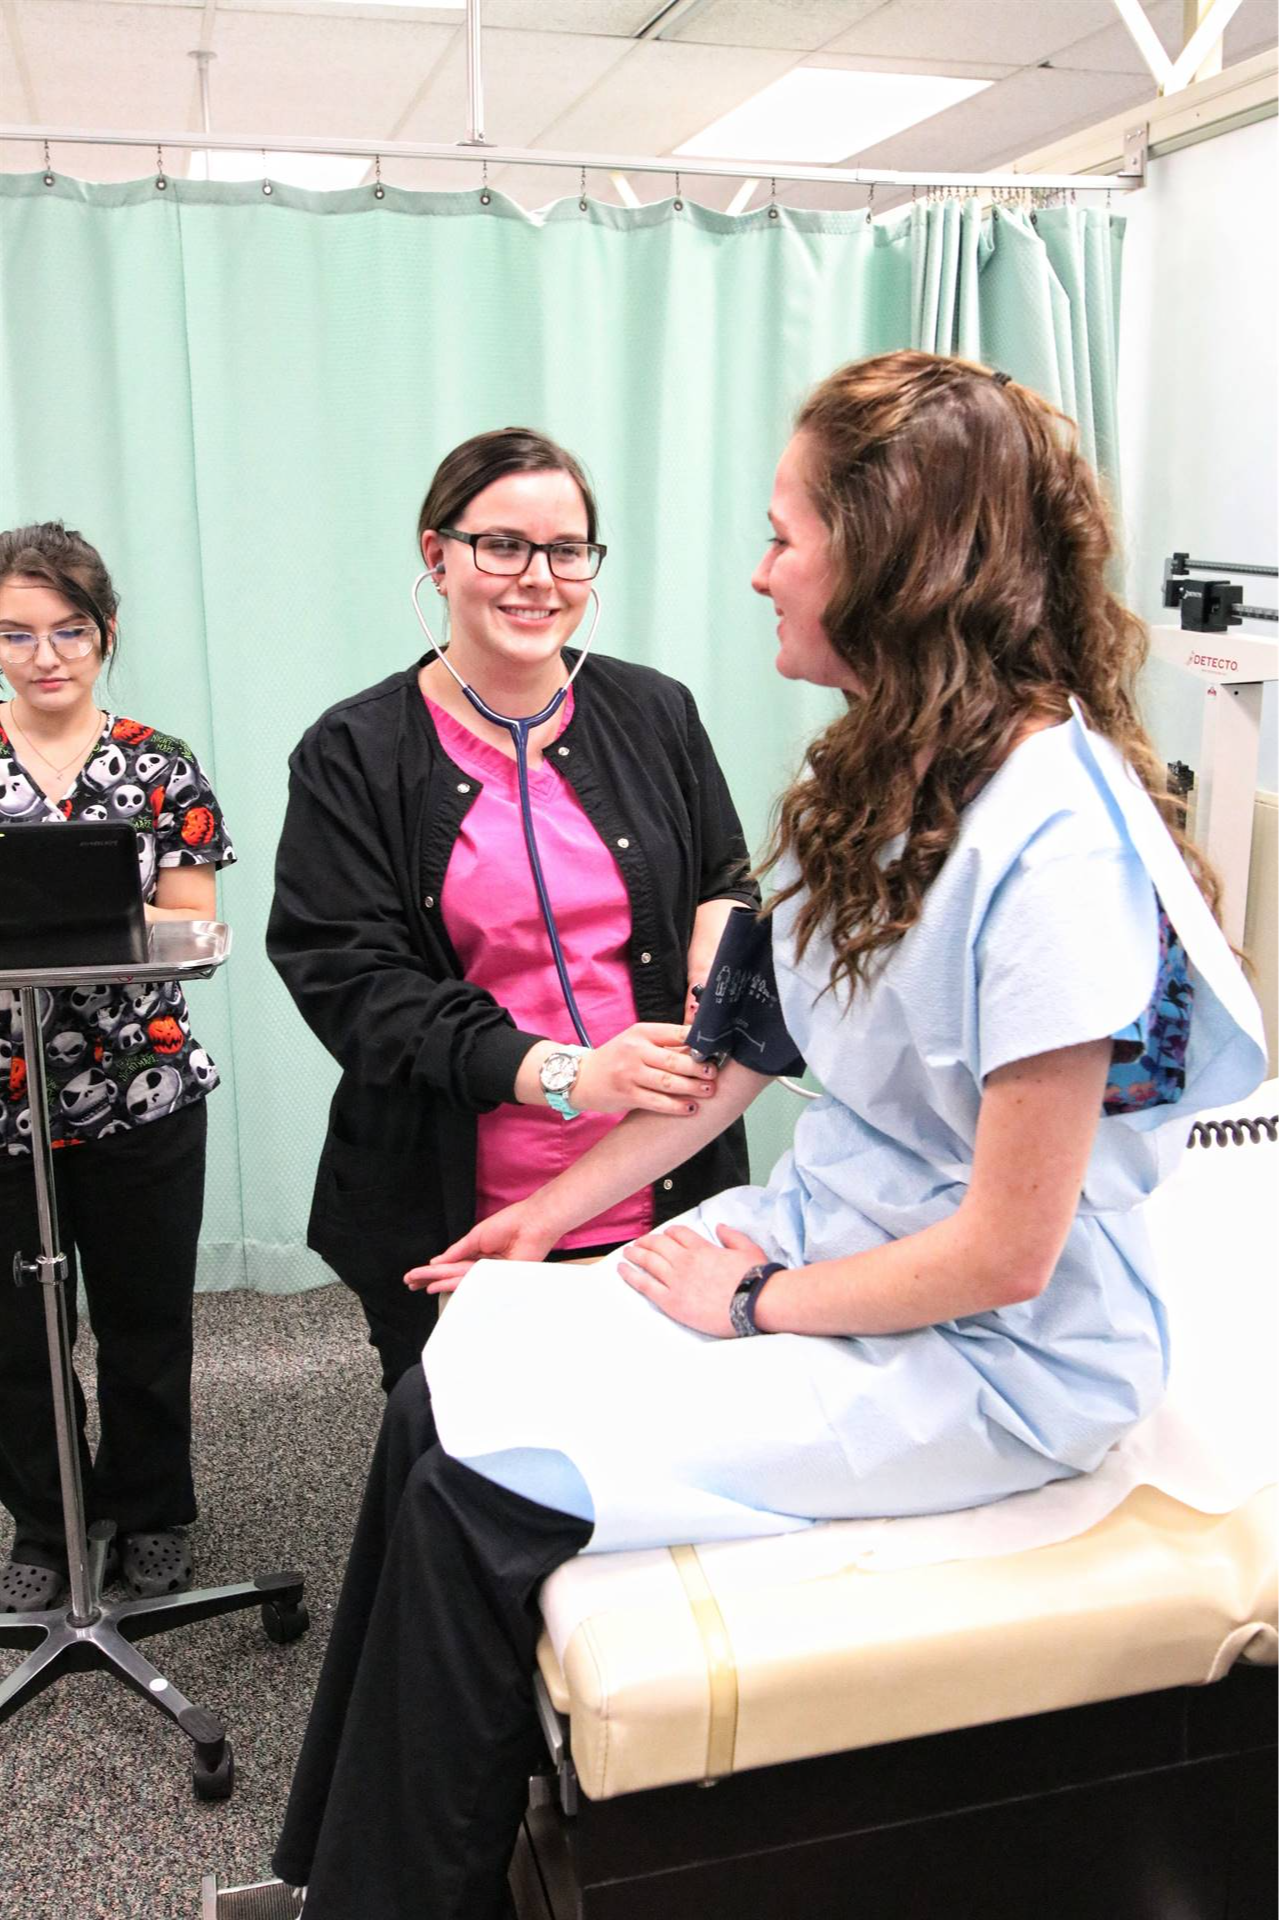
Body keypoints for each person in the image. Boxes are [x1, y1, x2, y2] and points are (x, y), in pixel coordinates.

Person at [270, 353, 1264, 1916]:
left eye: (783, 532)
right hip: (842, 1259)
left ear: (888, 555)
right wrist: (543, 1227)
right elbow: (733, 1058)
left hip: (998, 1358)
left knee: (479, 1481)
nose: (756, 570)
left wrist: (745, 1301)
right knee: (433, 1403)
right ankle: (343, 1878)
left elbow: (1007, 1255)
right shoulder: (870, 776)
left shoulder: (1053, 833)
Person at [266, 427, 756, 1390]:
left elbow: (724, 874)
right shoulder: (354, 753)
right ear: (436, 555)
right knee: (473, 1466)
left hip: (657, 1180)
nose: (538, 578)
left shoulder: (655, 712)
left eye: (566, 551)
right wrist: (569, 1073)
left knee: (654, 1468)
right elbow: (354, 985)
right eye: (503, 546)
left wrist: (717, 936)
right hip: (459, 1196)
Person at [0, 521, 234, 1612]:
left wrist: (89, 916)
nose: (46, 657)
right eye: (16, 635)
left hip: (140, 1086)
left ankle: (148, 1507)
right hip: (2, 1108)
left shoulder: (160, 765)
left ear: (105, 634)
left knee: (145, 1321)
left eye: (69, 632)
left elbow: (193, 924)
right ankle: (48, 1519)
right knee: (16, 1334)